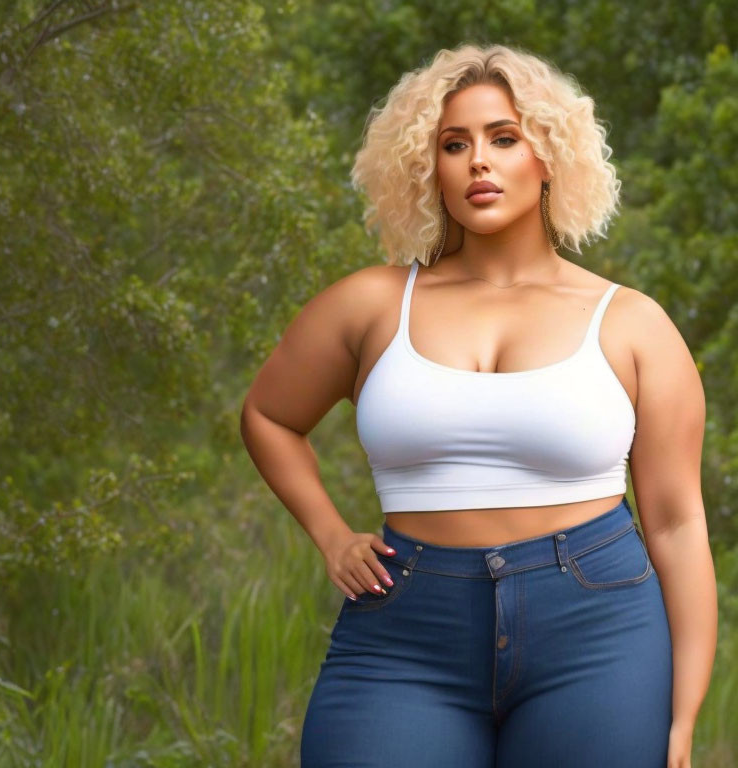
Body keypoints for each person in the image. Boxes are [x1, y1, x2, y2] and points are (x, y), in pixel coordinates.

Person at [239, 42, 717, 768]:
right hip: (406, 628)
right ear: (427, 168)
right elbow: (269, 416)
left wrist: (681, 722)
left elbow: (679, 526)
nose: (478, 162)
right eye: (453, 144)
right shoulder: (370, 304)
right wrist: (332, 536)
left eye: (503, 138)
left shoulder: (632, 325)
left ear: (550, 155)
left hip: (597, 628)